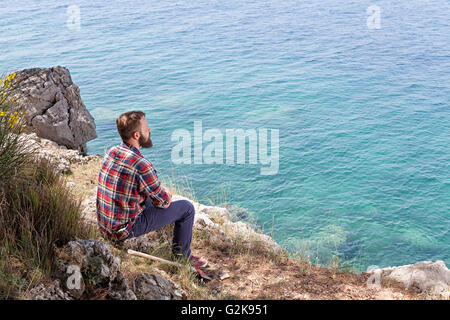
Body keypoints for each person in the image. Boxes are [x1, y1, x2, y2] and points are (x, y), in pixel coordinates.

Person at [96, 110, 207, 268]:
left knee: (148, 196)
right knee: (187, 208)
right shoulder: (141, 164)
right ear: (136, 135)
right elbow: (164, 202)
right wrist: (165, 193)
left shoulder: (111, 152)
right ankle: (183, 257)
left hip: (105, 226)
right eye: (146, 128)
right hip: (124, 230)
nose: (149, 130)